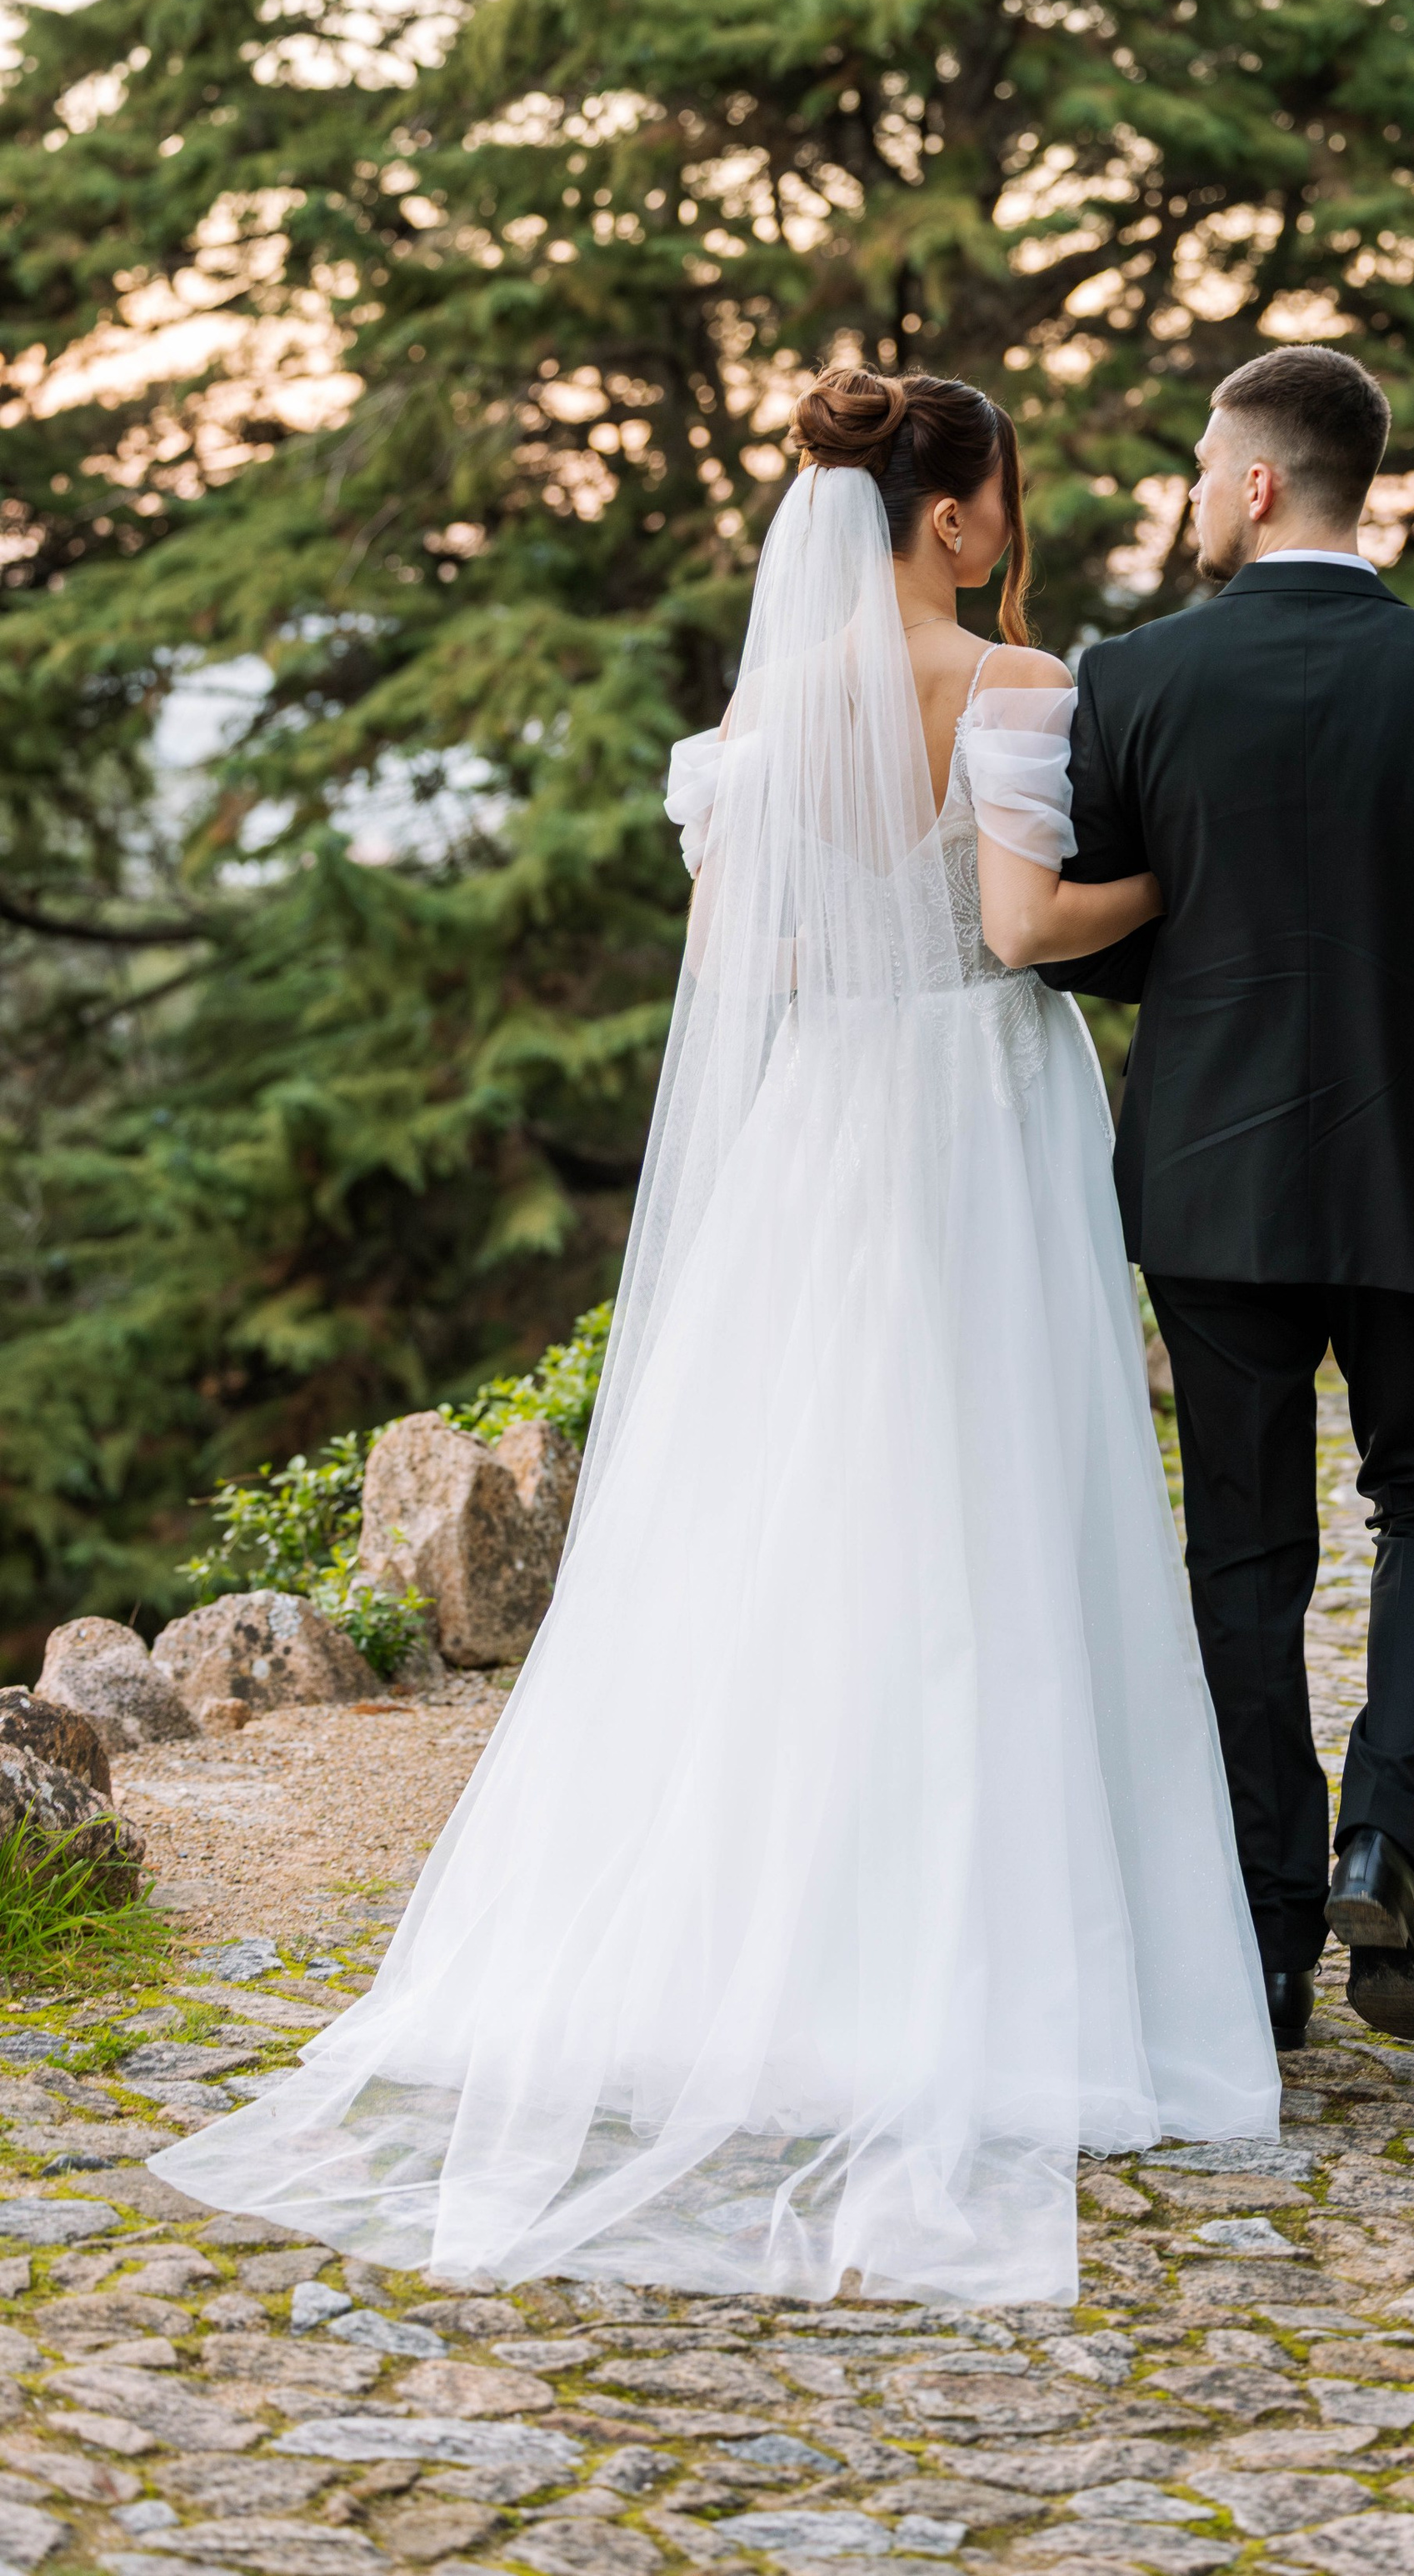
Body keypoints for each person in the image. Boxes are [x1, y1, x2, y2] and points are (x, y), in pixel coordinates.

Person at [151, 370, 1279, 2307]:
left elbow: (755, 963)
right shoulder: (1011, 693)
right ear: (945, 517)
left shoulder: (763, 726)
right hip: (975, 1114)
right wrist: (1184, 880)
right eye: (1000, 492)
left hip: (822, 1132)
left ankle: (748, 1949)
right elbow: (1022, 930)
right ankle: (997, 1964)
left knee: (800, 1513)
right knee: (994, 1503)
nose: (1015, 519)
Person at [1042, 343, 1414, 2052]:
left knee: (1244, 1550)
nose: (1194, 497)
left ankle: (1270, 1937)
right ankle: (1382, 1837)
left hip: (1211, 1177)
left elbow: (1106, 931)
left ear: (1259, 481)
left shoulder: (1130, 679)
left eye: (1204, 468)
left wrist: (1209, 939)